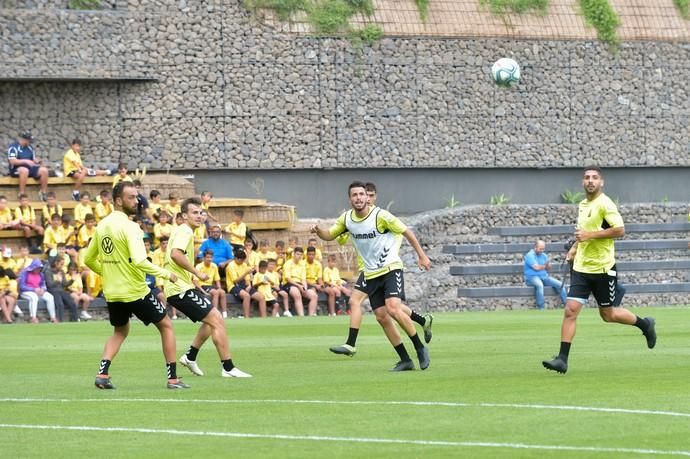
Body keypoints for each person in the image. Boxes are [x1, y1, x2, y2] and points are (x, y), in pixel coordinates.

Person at [542, 166, 657, 375]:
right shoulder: (583, 205)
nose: (590, 181)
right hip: (581, 268)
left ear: (601, 182)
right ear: (582, 182)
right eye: (587, 177)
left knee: (608, 314)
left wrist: (589, 236)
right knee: (570, 310)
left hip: (603, 268)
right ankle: (562, 359)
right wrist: (575, 248)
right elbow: (582, 234)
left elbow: (620, 230)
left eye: (594, 177)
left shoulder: (606, 204)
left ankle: (645, 325)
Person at [311, 181, 432, 371]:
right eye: (354, 195)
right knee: (382, 317)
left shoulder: (380, 216)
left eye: (361, 194)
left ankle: (419, 347)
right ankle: (405, 360)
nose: (358, 198)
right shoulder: (347, 219)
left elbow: (406, 231)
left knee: (393, 308)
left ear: (367, 197)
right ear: (349, 198)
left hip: (391, 268)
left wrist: (422, 255)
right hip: (371, 274)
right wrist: (319, 232)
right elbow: (329, 235)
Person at [84, 181, 188, 390]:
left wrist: (109, 273)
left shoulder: (102, 225)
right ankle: (173, 379)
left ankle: (102, 374)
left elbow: (88, 259)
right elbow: (140, 261)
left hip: (113, 292)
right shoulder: (131, 227)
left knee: (120, 331)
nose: (137, 200)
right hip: (135, 291)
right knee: (166, 326)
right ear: (118, 200)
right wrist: (168, 274)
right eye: (131, 197)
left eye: (137, 196)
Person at [166, 197, 251, 378]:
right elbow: (175, 255)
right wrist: (197, 273)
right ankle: (228, 367)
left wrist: (194, 282)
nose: (199, 216)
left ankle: (190, 357)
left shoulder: (184, 231)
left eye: (201, 212)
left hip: (184, 286)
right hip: (179, 290)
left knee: (210, 320)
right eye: (194, 212)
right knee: (217, 319)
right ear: (184, 215)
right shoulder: (185, 232)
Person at [524, 240, 567, 310]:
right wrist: (545, 266)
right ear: (535, 247)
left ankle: (566, 304)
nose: (542, 250)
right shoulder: (530, 255)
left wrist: (548, 265)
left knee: (561, 285)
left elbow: (548, 268)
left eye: (543, 249)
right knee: (540, 285)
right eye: (540, 249)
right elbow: (536, 268)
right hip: (532, 277)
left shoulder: (543, 255)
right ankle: (541, 307)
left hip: (544, 276)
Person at [7, 132, 49, 200]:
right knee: (24, 170)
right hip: (16, 169)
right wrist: (25, 161)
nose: (30, 142)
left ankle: (43, 192)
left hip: (29, 168)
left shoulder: (30, 147)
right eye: (29, 141)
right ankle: (22, 193)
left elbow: (33, 159)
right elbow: (12, 161)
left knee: (44, 170)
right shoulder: (13, 147)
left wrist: (37, 161)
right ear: (24, 139)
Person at [225, 249, 264, 319]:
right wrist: (246, 272)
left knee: (261, 297)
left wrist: (249, 285)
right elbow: (235, 281)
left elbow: (248, 278)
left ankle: (264, 318)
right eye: (241, 260)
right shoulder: (230, 266)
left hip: (244, 284)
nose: (242, 262)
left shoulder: (244, 264)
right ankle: (247, 317)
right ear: (236, 258)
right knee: (246, 296)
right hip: (233, 286)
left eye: (243, 260)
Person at [19, 259, 57, 323]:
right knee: (34, 297)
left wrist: (43, 289)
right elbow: (22, 286)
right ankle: (33, 317)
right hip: (26, 291)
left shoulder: (41, 274)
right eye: (37, 268)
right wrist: (33, 289)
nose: (38, 269)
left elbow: (43, 284)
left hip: (38, 291)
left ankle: (53, 317)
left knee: (50, 297)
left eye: (40, 268)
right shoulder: (25, 273)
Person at [44, 256, 79, 322]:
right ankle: (60, 320)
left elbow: (64, 284)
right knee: (60, 304)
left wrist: (72, 280)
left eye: (63, 264)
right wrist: (57, 280)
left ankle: (75, 319)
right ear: (55, 263)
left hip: (61, 291)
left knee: (72, 303)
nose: (62, 266)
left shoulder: (61, 272)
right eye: (61, 264)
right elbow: (49, 285)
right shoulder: (48, 272)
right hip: (53, 291)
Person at [196, 249, 228, 318]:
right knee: (215, 292)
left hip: (210, 286)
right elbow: (195, 281)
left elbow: (217, 280)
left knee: (222, 292)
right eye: (207, 257)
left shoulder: (214, 266)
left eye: (211, 257)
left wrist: (219, 288)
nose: (209, 259)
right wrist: (203, 292)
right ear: (204, 258)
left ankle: (225, 314)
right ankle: (214, 313)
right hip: (202, 286)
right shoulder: (199, 266)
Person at [280, 247, 312, 317]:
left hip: (300, 283)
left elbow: (303, 279)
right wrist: (299, 286)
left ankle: (311, 316)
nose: (299, 256)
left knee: (313, 295)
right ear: (293, 254)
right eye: (297, 254)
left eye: (301, 255)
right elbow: (288, 279)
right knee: (297, 294)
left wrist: (305, 288)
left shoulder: (302, 264)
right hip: (289, 284)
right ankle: (301, 316)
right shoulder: (287, 264)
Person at [304, 246, 323, 316]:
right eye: (309, 254)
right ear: (307, 255)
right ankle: (313, 312)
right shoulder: (303, 264)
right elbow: (303, 279)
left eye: (312, 254)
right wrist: (315, 285)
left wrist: (321, 285)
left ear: (315, 255)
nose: (311, 256)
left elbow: (319, 278)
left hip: (315, 284)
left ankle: (333, 313)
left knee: (330, 290)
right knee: (313, 289)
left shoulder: (318, 264)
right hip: (306, 283)